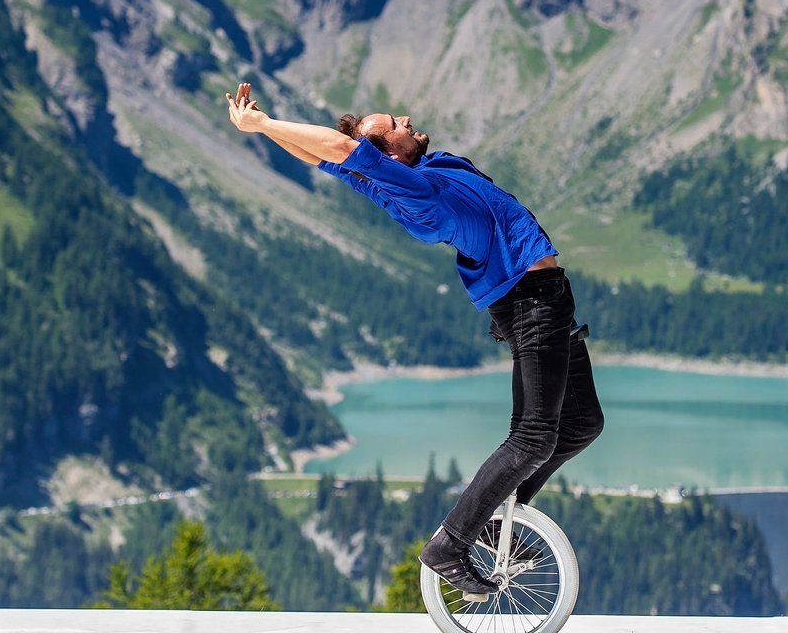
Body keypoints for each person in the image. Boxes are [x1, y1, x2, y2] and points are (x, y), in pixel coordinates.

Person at [224, 82, 603, 599]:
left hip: (549, 298)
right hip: (527, 302)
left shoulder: (416, 172)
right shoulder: (413, 190)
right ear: (389, 153)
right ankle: (452, 543)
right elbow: (341, 150)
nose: (404, 117)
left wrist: (269, 126)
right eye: (395, 125)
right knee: (534, 435)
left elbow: (326, 159)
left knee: (581, 423)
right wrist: (261, 126)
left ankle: (495, 528)